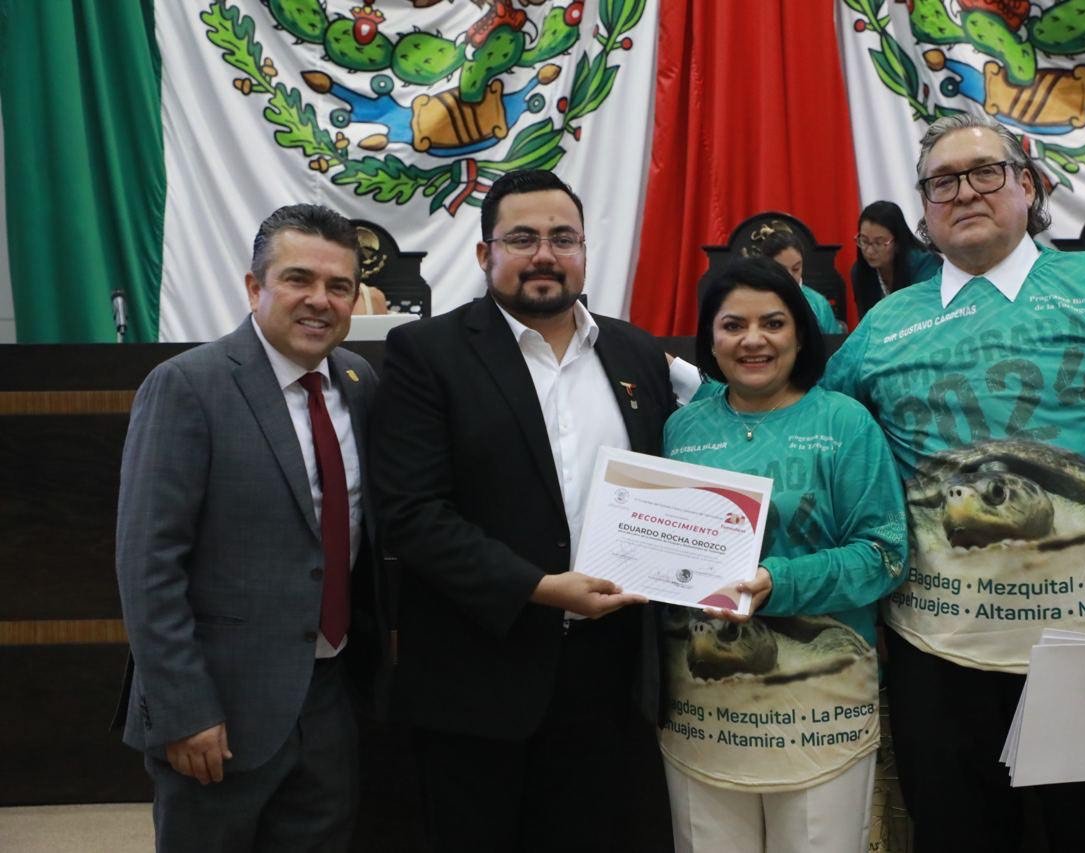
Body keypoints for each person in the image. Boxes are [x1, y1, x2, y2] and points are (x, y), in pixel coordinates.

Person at [822, 113, 1085, 853]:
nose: (965, 192)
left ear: (1030, 186)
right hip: (936, 654)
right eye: (942, 181)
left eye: (987, 172)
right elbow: (824, 443)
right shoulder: (883, 325)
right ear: (924, 210)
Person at [369, 169, 677, 852]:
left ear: (584, 251)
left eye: (563, 238)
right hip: (477, 674)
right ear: (486, 253)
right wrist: (539, 588)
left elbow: (666, 486)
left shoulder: (635, 352)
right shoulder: (427, 353)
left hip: (609, 674)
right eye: (523, 239)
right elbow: (412, 515)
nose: (545, 255)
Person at [114, 204, 383, 851]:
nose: (319, 300)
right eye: (298, 279)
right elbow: (148, 566)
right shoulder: (187, 386)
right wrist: (184, 709)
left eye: (339, 286)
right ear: (254, 287)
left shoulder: (359, 382)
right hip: (218, 710)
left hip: (331, 700)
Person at [660, 256, 908, 853]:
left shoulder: (844, 423)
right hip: (702, 707)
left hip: (817, 706)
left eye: (773, 323)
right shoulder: (681, 430)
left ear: (800, 333)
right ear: (709, 339)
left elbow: (885, 554)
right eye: (733, 325)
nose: (753, 340)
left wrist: (781, 580)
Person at [850, 200, 940, 316]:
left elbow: (926, 315)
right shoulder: (859, 271)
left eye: (879, 243)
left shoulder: (925, 266)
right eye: (864, 241)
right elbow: (866, 320)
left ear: (898, 242)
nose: (869, 251)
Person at [754, 227, 844, 333]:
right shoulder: (752, 300)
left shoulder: (819, 304)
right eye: (782, 270)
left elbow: (832, 341)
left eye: (796, 269)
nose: (790, 276)